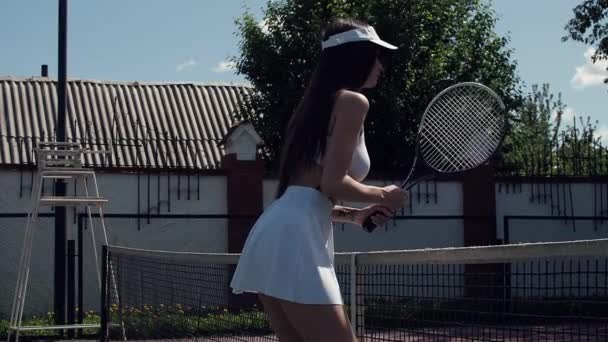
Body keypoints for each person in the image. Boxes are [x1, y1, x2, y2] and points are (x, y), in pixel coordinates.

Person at [230, 18, 408, 342]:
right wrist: (384, 195)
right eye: (375, 55)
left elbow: (308, 192)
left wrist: (354, 216)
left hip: (275, 232)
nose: (381, 65)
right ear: (356, 57)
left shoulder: (313, 107)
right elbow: (332, 183)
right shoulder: (353, 102)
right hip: (295, 240)